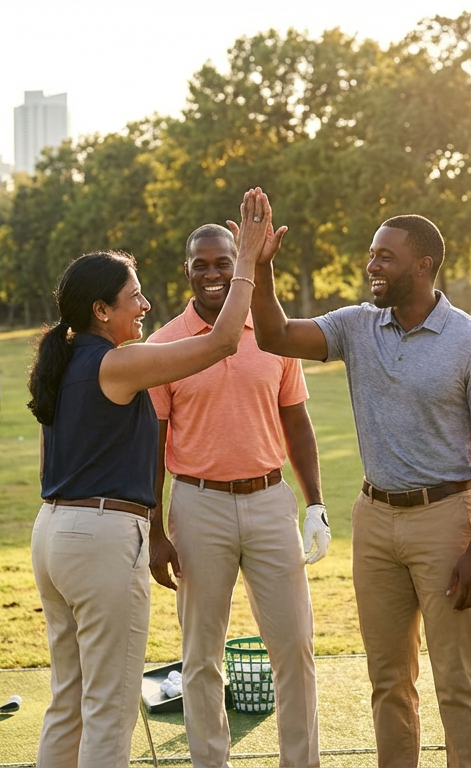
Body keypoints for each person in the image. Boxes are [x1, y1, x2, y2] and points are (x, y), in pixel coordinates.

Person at [252, 213, 471, 768]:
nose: (372, 265)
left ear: (423, 265)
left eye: (385, 256)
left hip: (444, 520)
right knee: (389, 680)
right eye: (371, 254)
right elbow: (274, 335)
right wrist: (262, 266)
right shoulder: (356, 326)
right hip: (373, 519)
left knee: (458, 682)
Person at [27, 190, 272, 768]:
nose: (145, 305)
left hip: (54, 533)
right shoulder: (116, 362)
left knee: (70, 700)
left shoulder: (63, 363)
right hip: (101, 539)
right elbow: (220, 342)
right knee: (109, 706)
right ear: (100, 311)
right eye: (134, 297)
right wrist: (247, 266)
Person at [145, 222, 326, 768]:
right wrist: (154, 532)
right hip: (198, 505)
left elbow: (297, 423)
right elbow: (151, 448)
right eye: (200, 264)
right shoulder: (164, 344)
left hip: (271, 499)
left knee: (294, 647)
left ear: (239, 264)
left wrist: (314, 502)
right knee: (201, 655)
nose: (212, 273)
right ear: (186, 271)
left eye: (222, 262)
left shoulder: (272, 333)